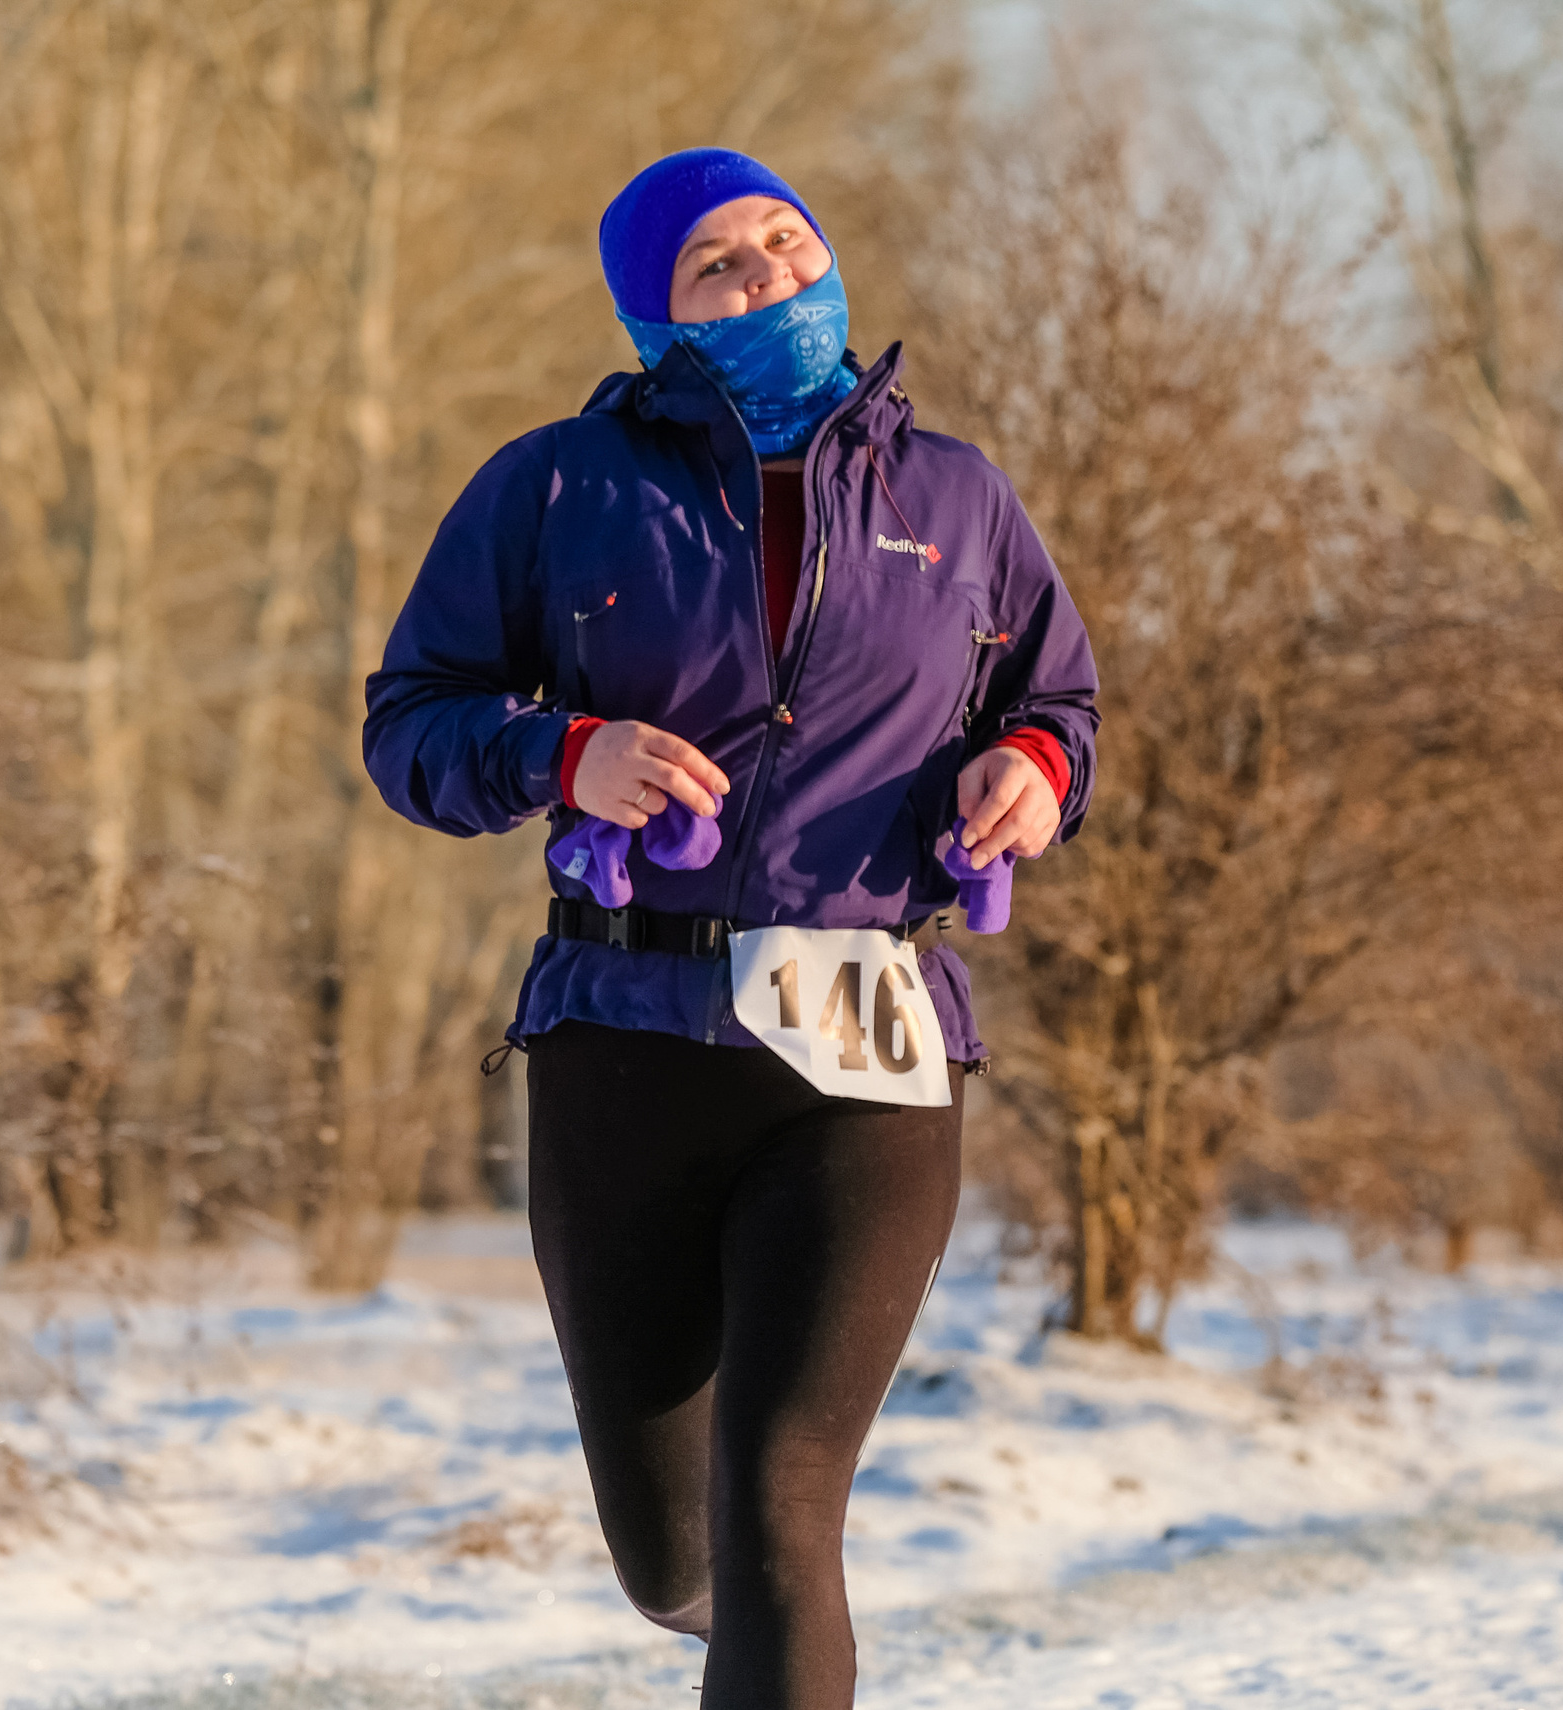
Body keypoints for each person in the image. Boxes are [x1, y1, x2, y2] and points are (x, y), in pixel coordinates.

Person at [364, 148, 1098, 1708]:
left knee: (782, 1499)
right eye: (720, 267)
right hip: (627, 1038)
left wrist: (1030, 771)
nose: (771, 279)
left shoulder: (953, 497)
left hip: (870, 1056)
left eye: (788, 243)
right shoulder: (556, 488)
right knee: (672, 1554)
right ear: (655, 315)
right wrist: (565, 755)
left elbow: (1058, 703)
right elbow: (409, 727)